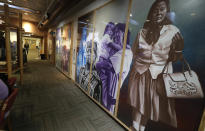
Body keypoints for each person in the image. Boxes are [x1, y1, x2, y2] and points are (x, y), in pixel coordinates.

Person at [128, 0, 184, 130]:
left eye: (162, 9)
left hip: (157, 76)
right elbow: (134, 51)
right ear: (151, 12)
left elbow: (174, 58)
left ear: (167, 11)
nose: (158, 12)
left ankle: (141, 127)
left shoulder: (173, 31)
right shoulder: (142, 32)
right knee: (138, 103)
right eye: (155, 10)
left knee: (148, 105)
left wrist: (178, 50)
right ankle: (135, 127)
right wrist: (140, 63)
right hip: (140, 74)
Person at [96, 23, 133, 114]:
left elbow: (108, 65)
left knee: (107, 113)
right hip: (102, 91)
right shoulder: (116, 48)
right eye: (114, 32)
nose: (115, 34)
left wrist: (98, 64)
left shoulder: (126, 53)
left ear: (124, 34)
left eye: (117, 32)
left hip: (110, 96)